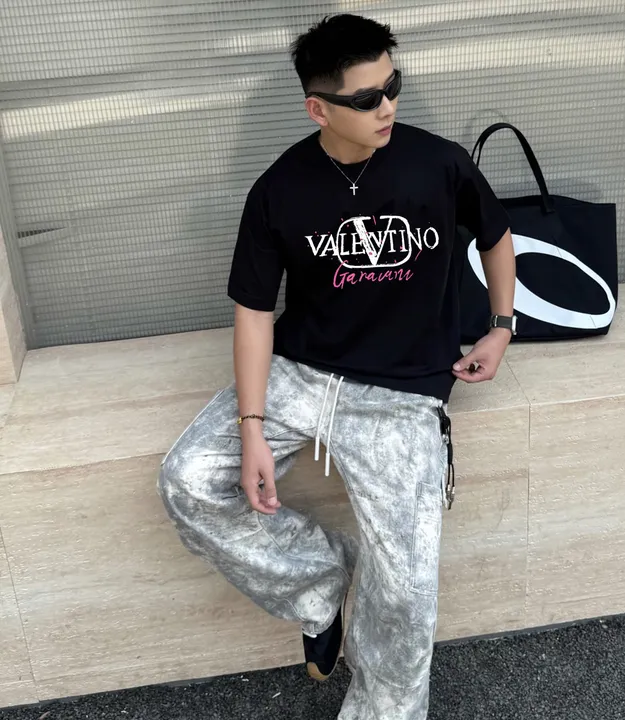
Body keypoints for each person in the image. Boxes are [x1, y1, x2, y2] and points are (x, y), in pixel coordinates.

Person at [158, 13, 516, 720]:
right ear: (318, 108)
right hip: (301, 374)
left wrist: (501, 328)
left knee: (406, 592)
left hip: (401, 392)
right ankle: (319, 583)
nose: (387, 106)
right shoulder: (279, 190)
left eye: (393, 86)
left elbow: (497, 236)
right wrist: (252, 427)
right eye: (366, 98)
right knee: (189, 481)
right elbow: (254, 313)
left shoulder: (438, 164)